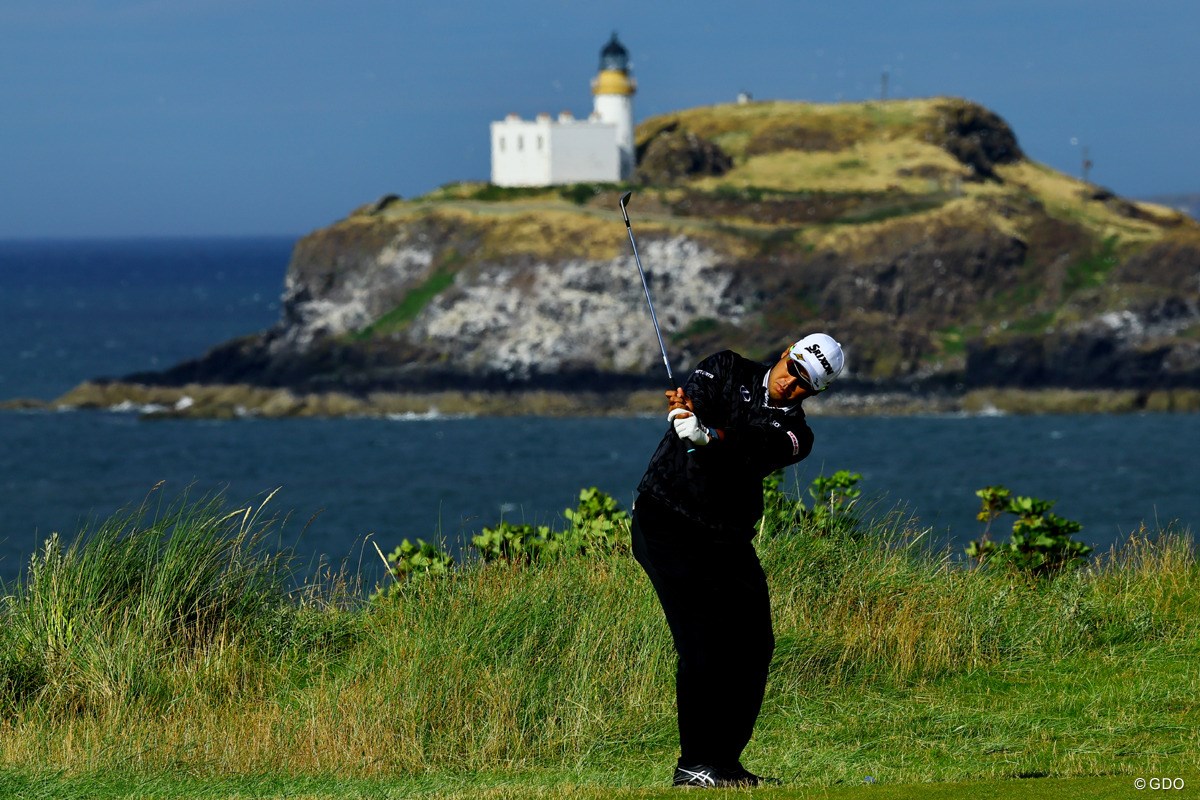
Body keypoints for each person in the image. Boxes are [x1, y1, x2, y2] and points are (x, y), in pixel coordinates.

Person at [630, 333, 846, 789]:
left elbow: (753, 444)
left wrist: (709, 436)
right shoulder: (727, 367)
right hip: (666, 519)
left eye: (805, 383)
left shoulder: (796, 436)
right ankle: (695, 764)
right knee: (701, 642)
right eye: (793, 369)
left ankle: (723, 763)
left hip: (725, 536)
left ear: (817, 391)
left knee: (754, 644)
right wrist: (688, 413)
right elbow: (700, 396)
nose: (791, 383)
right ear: (787, 353)